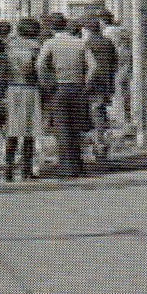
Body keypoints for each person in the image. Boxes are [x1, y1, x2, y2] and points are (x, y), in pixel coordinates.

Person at [35, 14, 93, 178]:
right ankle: (78, 165)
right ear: (66, 25)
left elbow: (39, 64)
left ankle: (66, 166)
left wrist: (46, 81)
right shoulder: (80, 43)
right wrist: (85, 82)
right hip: (77, 87)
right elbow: (93, 66)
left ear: (51, 28)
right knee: (76, 128)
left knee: (62, 128)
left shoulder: (50, 43)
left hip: (59, 87)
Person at [1, 18, 44, 181]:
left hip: (12, 88)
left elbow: (3, 68)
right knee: (29, 131)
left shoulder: (9, 46)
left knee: (11, 130)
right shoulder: (36, 48)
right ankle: (26, 170)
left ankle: (8, 169)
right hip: (30, 89)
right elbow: (37, 69)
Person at [82, 16, 120, 161]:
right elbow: (116, 62)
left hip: (93, 83)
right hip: (107, 83)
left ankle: (100, 144)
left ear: (88, 30)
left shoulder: (88, 44)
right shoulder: (108, 43)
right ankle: (102, 142)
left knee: (95, 112)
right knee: (101, 111)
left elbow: (87, 66)